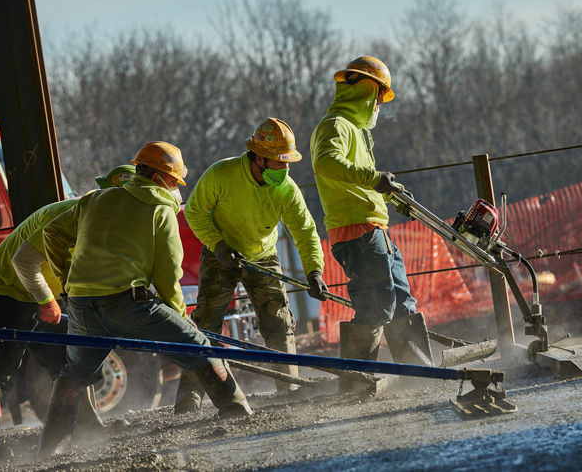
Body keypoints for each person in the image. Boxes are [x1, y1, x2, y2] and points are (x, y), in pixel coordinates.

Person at [37, 142, 251, 458]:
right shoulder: (160, 210)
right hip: (129, 303)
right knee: (198, 346)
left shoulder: (97, 198)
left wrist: (68, 280)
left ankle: (50, 448)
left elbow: (52, 233)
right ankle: (237, 410)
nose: (177, 188)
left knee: (75, 371)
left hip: (81, 304)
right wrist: (181, 317)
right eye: (175, 181)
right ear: (160, 176)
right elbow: (167, 273)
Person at [0, 165, 136, 467]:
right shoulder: (69, 217)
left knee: (69, 359)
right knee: (1, 367)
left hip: (40, 293)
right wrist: (47, 301)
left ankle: (86, 426)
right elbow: (23, 262)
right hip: (5, 291)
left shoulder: (107, 224)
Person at [175, 117, 326, 412]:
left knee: (280, 323)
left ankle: (289, 388)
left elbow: (306, 232)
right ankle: (189, 397)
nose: (285, 170)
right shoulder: (222, 174)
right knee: (206, 325)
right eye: (278, 163)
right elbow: (194, 211)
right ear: (258, 157)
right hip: (220, 256)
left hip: (263, 257)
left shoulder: (286, 189)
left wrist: (314, 270)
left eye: (287, 163)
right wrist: (218, 246)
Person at [310, 56, 435, 392]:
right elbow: (325, 162)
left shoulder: (355, 132)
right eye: (380, 95)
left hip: (373, 228)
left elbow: (369, 185)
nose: (380, 103)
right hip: (356, 230)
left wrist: (397, 196)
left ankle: (418, 373)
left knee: (401, 300)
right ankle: (354, 383)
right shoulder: (335, 125)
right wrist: (376, 179)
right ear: (368, 91)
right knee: (376, 304)